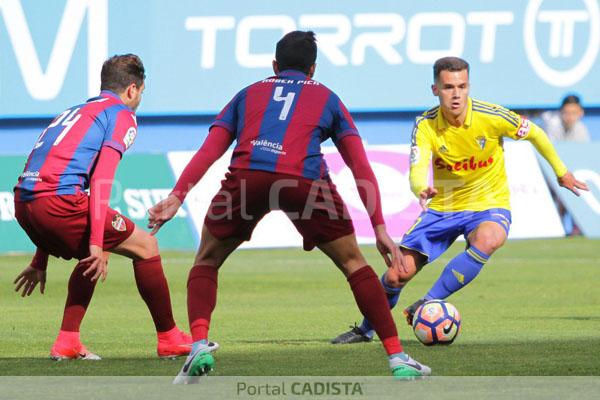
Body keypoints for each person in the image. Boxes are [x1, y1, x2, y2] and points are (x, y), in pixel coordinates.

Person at [148, 31, 431, 381]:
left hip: (249, 176)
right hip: (303, 182)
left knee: (207, 259)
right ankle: (397, 357)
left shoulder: (248, 93)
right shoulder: (328, 97)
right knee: (354, 263)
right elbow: (359, 165)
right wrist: (380, 228)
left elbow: (211, 149)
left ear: (274, 65)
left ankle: (199, 344)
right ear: (312, 69)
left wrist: (178, 194)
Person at [331, 56, 589, 344]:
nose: (456, 94)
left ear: (469, 86)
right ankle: (366, 329)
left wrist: (562, 172)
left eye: (462, 86)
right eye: (448, 87)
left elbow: (536, 133)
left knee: (490, 238)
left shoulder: (491, 116)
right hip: (443, 208)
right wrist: (421, 189)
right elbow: (417, 169)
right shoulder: (426, 125)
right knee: (395, 276)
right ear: (435, 89)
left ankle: (427, 302)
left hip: (487, 204)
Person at [12, 54, 197, 360]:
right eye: (141, 94)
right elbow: (101, 179)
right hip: (58, 202)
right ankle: (169, 338)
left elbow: (45, 176)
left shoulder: (75, 110)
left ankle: (68, 341)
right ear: (133, 90)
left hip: (24, 202)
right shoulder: (121, 114)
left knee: (100, 247)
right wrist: (96, 243)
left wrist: (41, 257)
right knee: (146, 246)